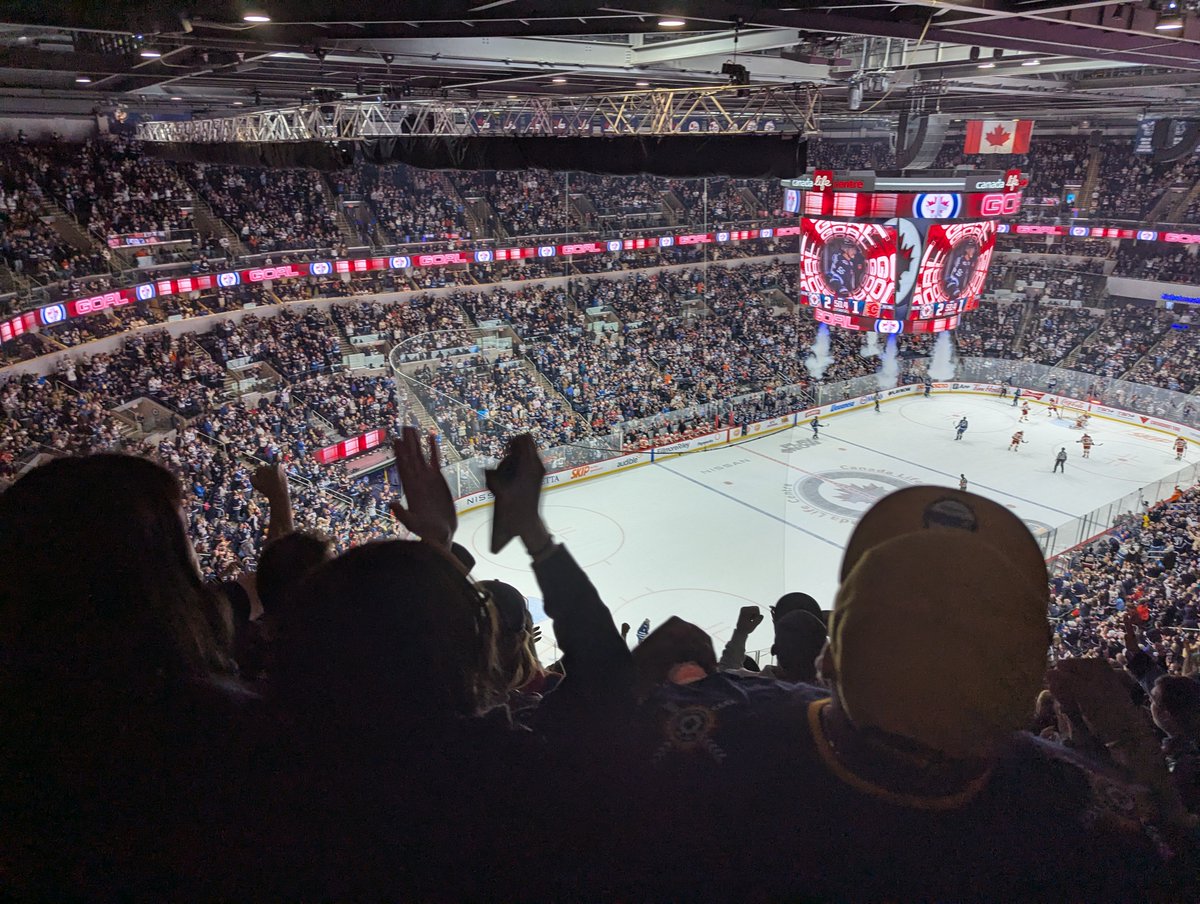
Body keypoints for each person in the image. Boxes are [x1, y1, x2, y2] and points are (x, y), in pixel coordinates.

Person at [624, 486, 1199, 902]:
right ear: (1029, 688)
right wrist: (1129, 748)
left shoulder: (708, 729)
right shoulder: (1084, 810)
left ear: (829, 663)